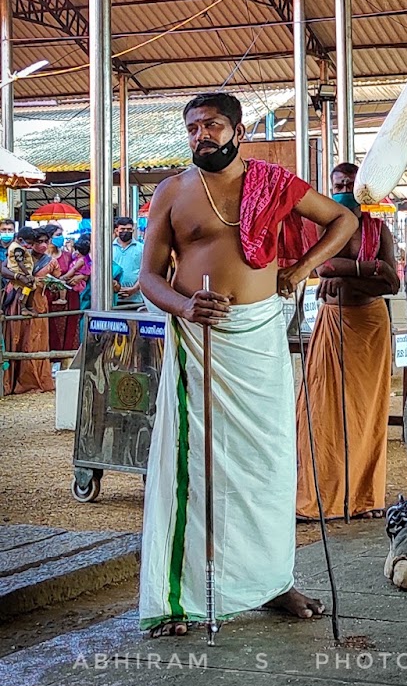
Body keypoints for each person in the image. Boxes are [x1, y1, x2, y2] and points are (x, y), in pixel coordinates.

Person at [137, 91, 357, 636]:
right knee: (197, 467)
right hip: (201, 338)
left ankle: (271, 580)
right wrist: (186, 304)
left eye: (210, 125)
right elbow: (148, 277)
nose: (199, 136)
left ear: (237, 131)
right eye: (191, 128)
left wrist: (301, 267)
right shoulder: (173, 192)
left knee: (269, 463)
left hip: (259, 336)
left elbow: (341, 223)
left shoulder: (275, 183)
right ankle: (183, 598)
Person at [295, 163, 401, 520]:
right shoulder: (322, 225)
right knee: (323, 412)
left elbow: (392, 283)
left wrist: (350, 274)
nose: (343, 188)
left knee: (367, 412)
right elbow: (323, 268)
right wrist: (369, 271)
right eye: (338, 183)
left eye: (349, 184)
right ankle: (323, 498)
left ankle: (365, 498)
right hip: (336, 323)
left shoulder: (378, 228)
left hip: (370, 325)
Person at [3, 227, 58, 394]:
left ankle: (33, 380)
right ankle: (11, 381)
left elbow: (57, 281)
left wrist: (54, 284)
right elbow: (3, 269)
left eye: (45, 242)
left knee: (35, 339)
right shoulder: (19, 253)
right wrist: (19, 277)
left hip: (38, 303)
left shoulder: (51, 261)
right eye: (37, 242)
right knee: (15, 336)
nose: (41, 245)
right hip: (16, 299)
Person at [112, 214, 145, 308]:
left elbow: (145, 272)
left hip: (136, 299)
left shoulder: (141, 248)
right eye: (122, 229)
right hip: (113, 299)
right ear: (116, 231)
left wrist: (134, 289)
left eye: (129, 229)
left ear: (133, 230)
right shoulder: (108, 249)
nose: (125, 232)